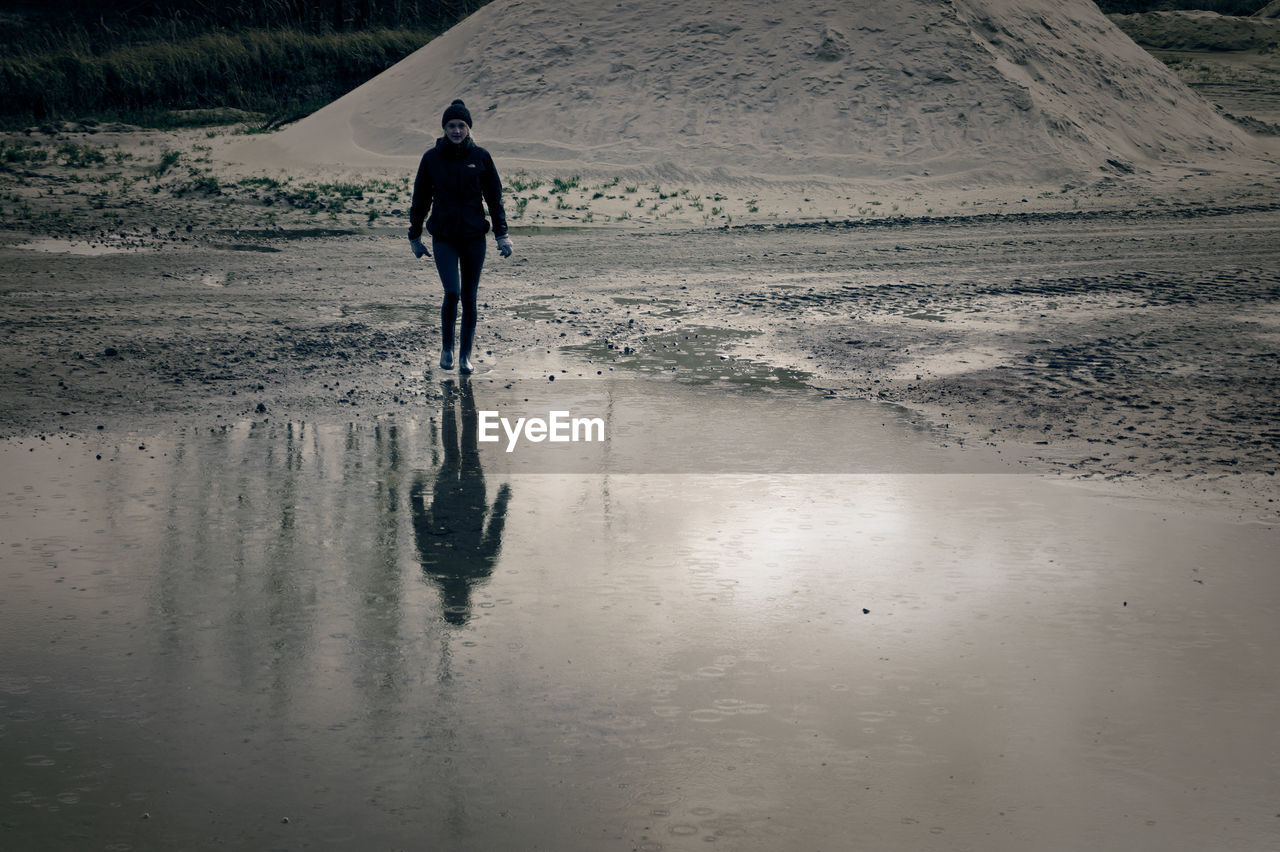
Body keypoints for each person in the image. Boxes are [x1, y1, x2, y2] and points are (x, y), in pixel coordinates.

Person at [408, 98, 513, 375]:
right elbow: (420, 199)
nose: (456, 131)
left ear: (468, 128)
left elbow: (494, 198)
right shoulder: (431, 158)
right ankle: (447, 349)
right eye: (452, 126)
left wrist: (502, 235)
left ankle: (466, 356)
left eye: (461, 126)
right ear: (444, 128)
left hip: (473, 237)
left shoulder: (480, 157)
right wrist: (414, 237)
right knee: (452, 292)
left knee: (469, 296)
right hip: (443, 236)